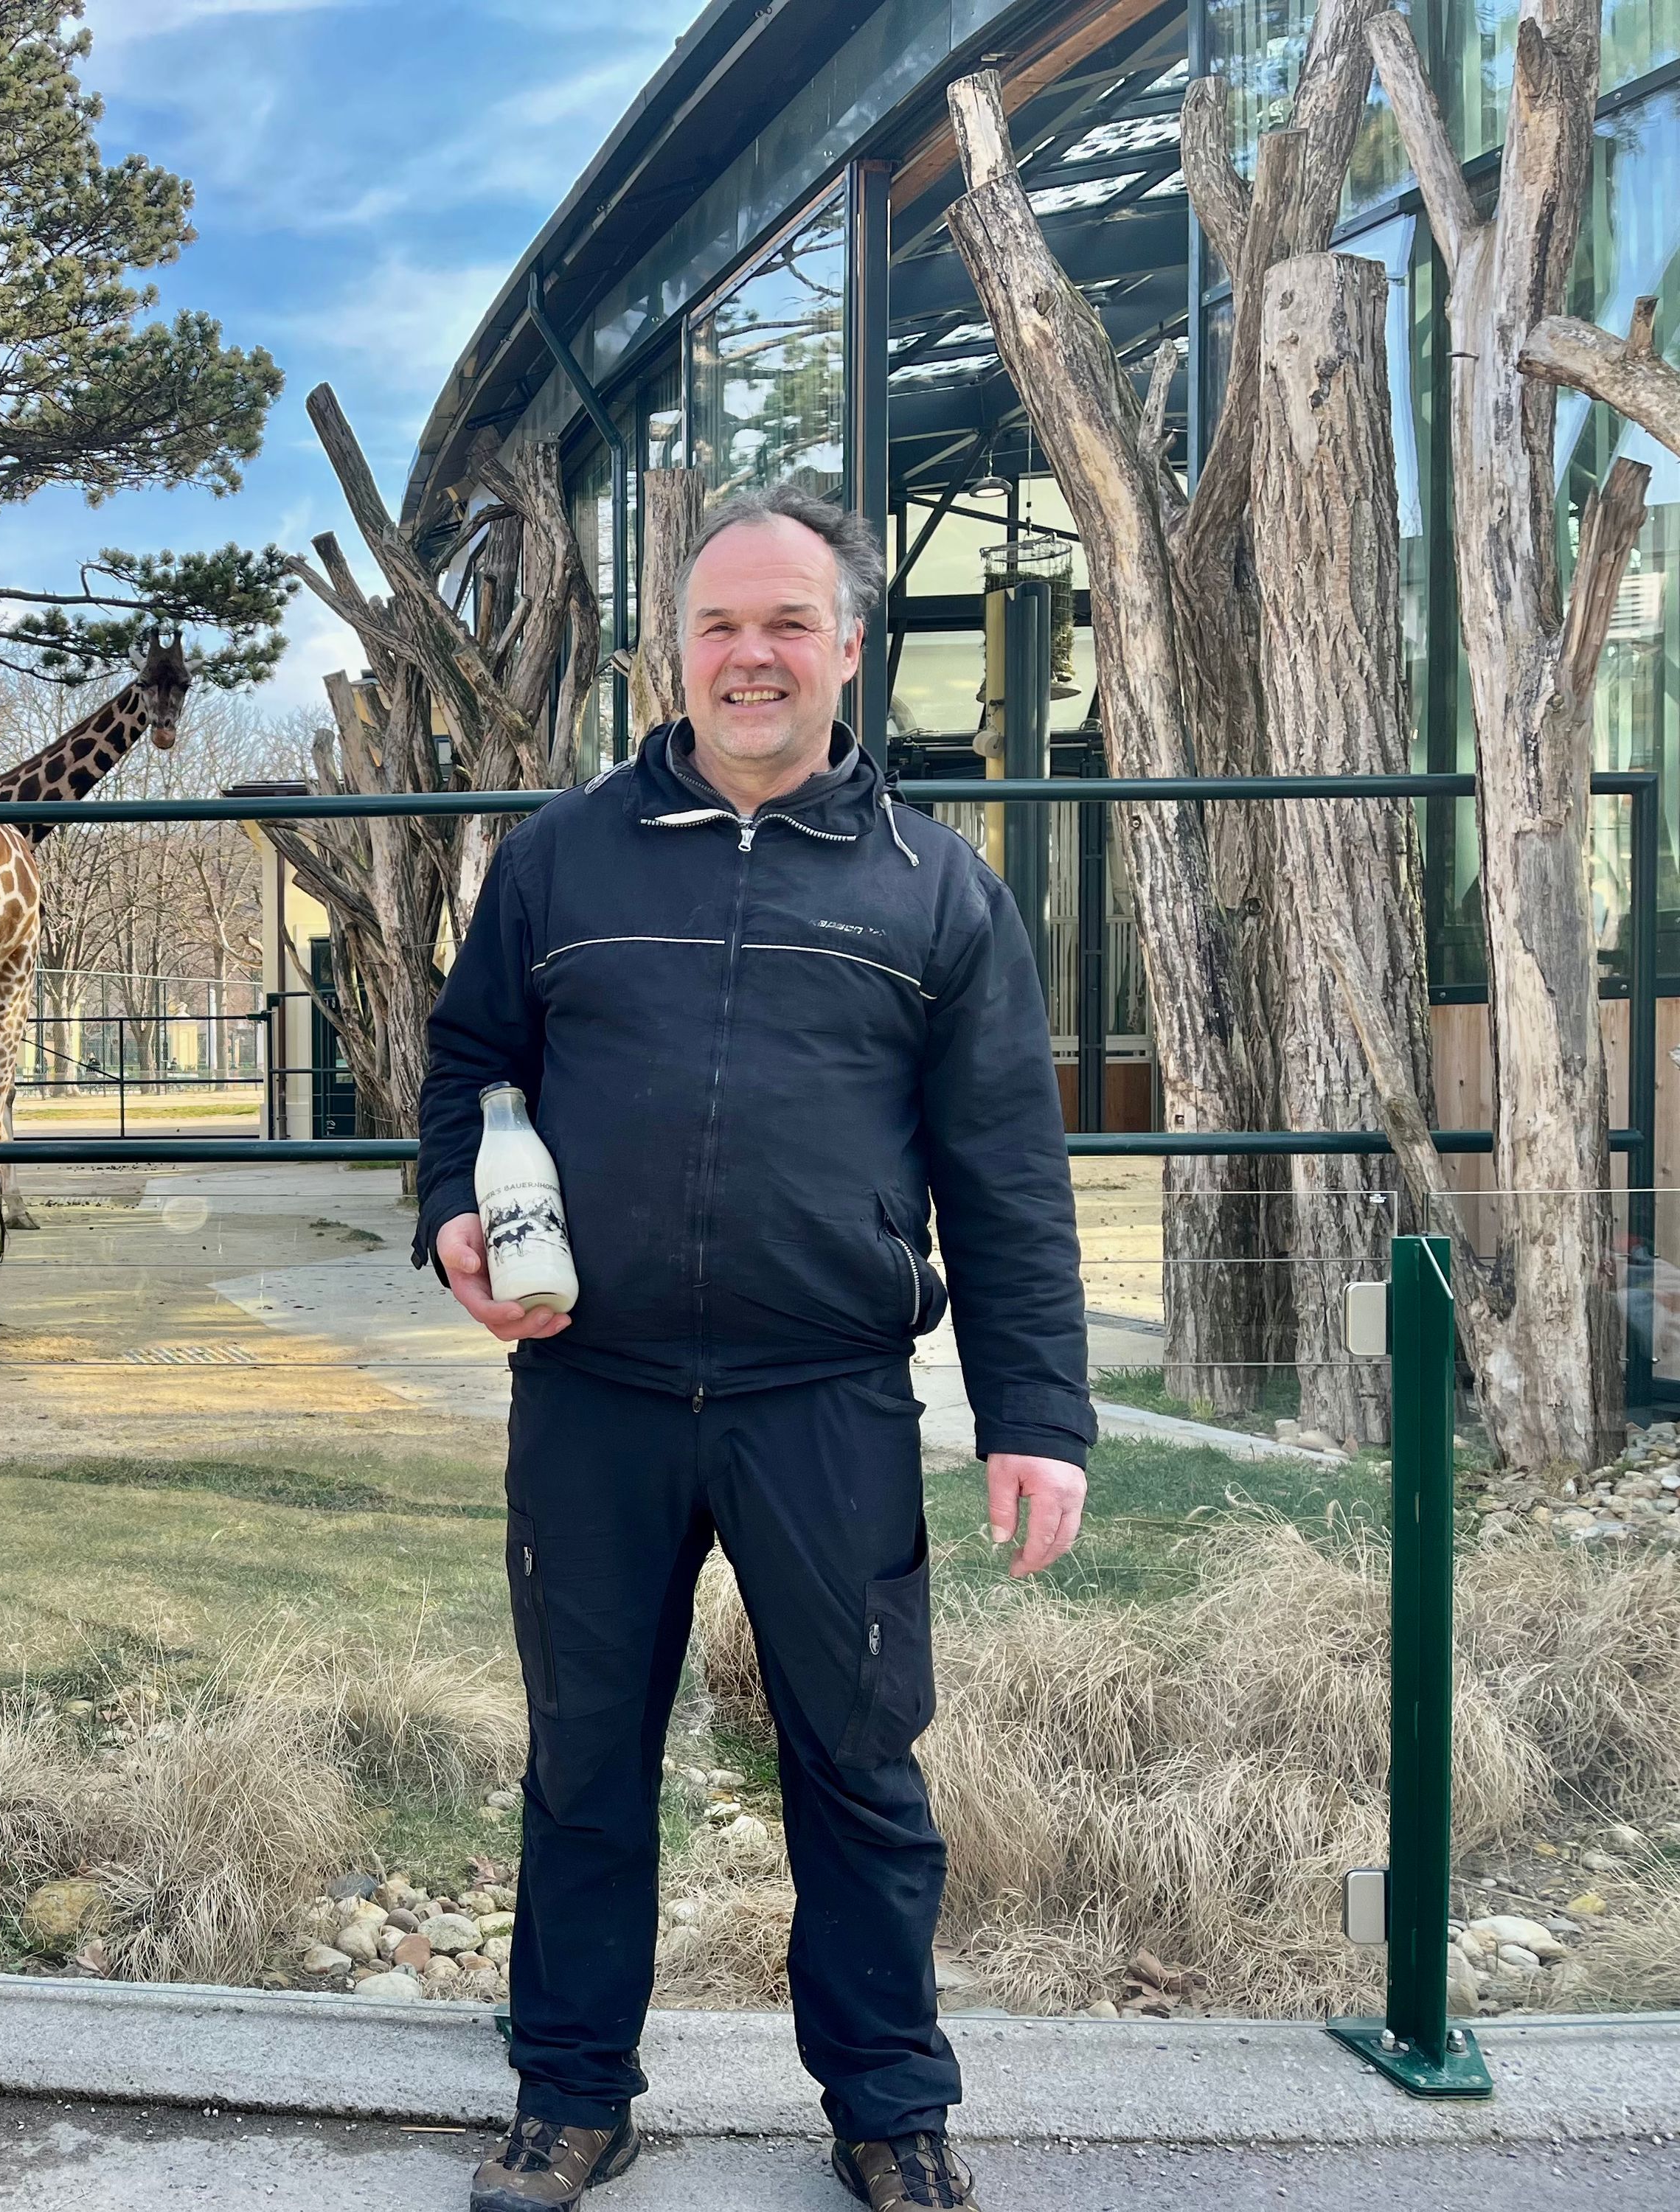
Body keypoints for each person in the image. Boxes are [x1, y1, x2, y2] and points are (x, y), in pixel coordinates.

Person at [417, 484, 1092, 2212]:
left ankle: (885, 2108)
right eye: (719, 623)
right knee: (583, 1763)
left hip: (826, 1406)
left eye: (787, 623)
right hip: (594, 1394)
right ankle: (570, 2093)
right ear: (673, 648)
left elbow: (1005, 1174)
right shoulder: (557, 860)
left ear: (847, 649)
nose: (750, 656)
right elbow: (465, 1074)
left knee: (860, 1770)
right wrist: (448, 1217)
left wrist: (1035, 1416)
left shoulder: (936, 891)